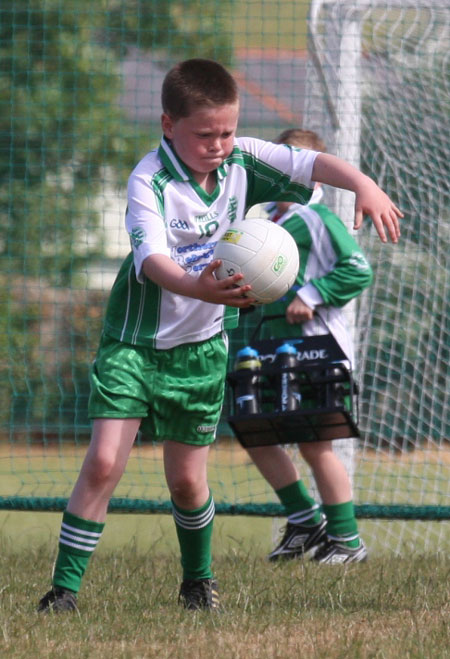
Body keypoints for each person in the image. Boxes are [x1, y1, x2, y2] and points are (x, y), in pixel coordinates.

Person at [37, 60, 402, 614]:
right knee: (104, 463)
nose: (218, 144)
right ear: (168, 124)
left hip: (203, 350)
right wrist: (196, 287)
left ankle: (197, 585)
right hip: (134, 345)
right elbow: (153, 260)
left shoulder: (242, 161)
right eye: (204, 134)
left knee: (187, 482)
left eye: (227, 132)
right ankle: (62, 594)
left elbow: (309, 161)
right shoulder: (149, 180)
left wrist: (363, 185)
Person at [246, 128, 374, 564]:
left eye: (293, 167)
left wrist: (311, 295)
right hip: (270, 348)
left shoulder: (317, 219)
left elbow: (358, 269)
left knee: (315, 445)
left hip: (314, 348)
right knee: (256, 433)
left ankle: (346, 540)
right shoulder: (267, 226)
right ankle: (304, 519)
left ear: (313, 176)